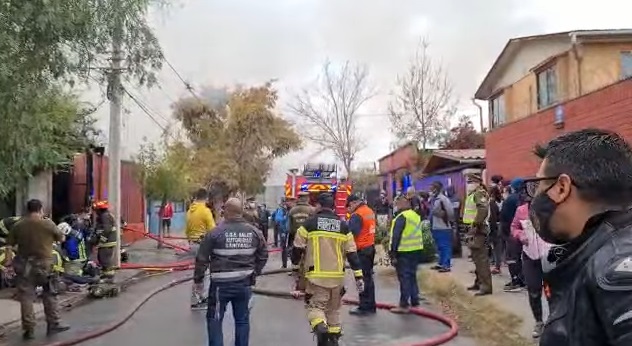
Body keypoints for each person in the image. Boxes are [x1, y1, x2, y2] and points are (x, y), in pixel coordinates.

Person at [525, 129, 632, 346]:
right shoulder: (597, 252)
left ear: (562, 187)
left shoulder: (618, 272)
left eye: (539, 184)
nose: (535, 195)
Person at [193, 197, 268, 346]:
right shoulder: (255, 232)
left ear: (226, 211)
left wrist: (198, 280)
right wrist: (254, 273)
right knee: (242, 320)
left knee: (215, 320)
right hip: (244, 285)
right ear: (241, 212)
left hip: (220, 287)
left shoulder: (215, 233)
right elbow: (263, 255)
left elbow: (201, 259)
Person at [291, 193, 364, 346]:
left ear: (318, 206)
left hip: (316, 277)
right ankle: (333, 339)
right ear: (333, 206)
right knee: (333, 310)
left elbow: (297, 249)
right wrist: (359, 277)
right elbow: (352, 254)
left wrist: (296, 268)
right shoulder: (344, 227)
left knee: (315, 307)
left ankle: (320, 327)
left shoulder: (309, 224)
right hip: (337, 278)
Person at [8, 199, 70, 340]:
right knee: (49, 293)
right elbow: (61, 238)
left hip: (24, 266)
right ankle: (53, 324)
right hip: (44, 266)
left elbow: (9, 245)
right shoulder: (47, 223)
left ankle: (29, 329)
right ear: (40, 209)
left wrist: (9, 262)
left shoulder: (18, 225)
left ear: (27, 210)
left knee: (26, 297)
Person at [510, 191, 551, 338]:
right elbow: (514, 227)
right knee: (534, 291)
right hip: (530, 256)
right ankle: (539, 322)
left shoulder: (550, 208)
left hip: (549, 256)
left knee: (552, 291)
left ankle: (554, 320)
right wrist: (520, 235)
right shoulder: (521, 211)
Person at [388, 195, 424, 313]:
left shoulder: (401, 217)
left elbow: (396, 237)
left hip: (403, 251)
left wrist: (393, 254)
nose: (395, 207)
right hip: (416, 249)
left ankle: (404, 305)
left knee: (404, 277)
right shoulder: (415, 215)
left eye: (396, 204)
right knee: (412, 276)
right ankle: (415, 301)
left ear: (401, 204)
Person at [346, 194, 377, 315]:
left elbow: (352, 234)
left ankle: (364, 306)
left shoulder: (357, 215)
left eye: (349, 206)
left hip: (361, 250)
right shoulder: (369, 211)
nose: (349, 209)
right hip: (370, 247)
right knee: (368, 278)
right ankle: (371, 304)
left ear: (354, 203)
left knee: (362, 278)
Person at [186, 188, 217, 310]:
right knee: (203, 273)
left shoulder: (190, 211)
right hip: (203, 244)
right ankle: (198, 299)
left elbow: (187, 230)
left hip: (193, 243)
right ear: (206, 198)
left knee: (198, 272)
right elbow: (213, 231)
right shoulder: (205, 211)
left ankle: (198, 297)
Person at [463, 173, 492, 296]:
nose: (469, 184)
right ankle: (479, 282)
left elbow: (483, 210)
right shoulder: (473, 194)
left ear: (478, 183)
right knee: (476, 258)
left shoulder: (479, 193)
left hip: (478, 229)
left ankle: (486, 287)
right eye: (468, 182)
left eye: (471, 182)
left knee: (481, 259)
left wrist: (475, 224)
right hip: (472, 229)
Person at [500, 178, 527, 292]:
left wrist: (505, 233)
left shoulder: (510, 199)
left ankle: (516, 281)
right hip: (526, 233)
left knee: (512, 258)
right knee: (525, 258)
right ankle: (525, 280)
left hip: (512, 233)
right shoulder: (527, 199)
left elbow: (504, 217)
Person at [287, 191, 314, 291]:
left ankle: (296, 272)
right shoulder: (312, 210)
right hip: (309, 237)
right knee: (308, 255)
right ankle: (307, 274)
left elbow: (289, 227)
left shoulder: (292, 211)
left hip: (296, 236)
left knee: (296, 255)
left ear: (298, 198)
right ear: (307, 198)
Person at [428, 181, 455, 272]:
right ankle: (441, 263)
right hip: (435, 226)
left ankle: (446, 265)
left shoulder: (443, 199)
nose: (430, 190)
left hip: (443, 226)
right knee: (439, 246)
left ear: (436, 189)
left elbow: (450, 213)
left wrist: (439, 214)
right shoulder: (433, 199)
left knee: (445, 246)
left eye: (432, 188)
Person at [92, 200, 117, 280]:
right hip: (108, 242)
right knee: (102, 258)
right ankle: (107, 275)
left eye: (96, 210)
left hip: (107, 242)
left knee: (104, 259)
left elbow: (106, 229)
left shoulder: (104, 216)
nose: (95, 212)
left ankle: (108, 276)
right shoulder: (105, 215)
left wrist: (101, 240)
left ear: (100, 209)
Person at [488, 185, 504, 275]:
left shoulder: (492, 203)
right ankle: (497, 264)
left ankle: (497, 266)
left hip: (495, 226)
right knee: (498, 247)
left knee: (495, 247)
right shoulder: (501, 201)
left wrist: (492, 229)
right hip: (501, 224)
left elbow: (493, 217)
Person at [273, 201, 290, 268]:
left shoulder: (291, 210)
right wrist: (284, 218)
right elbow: (278, 219)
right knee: (284, 247)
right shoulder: (280, 211)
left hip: (291, 231)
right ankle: (284, 264)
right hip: (283, 231)